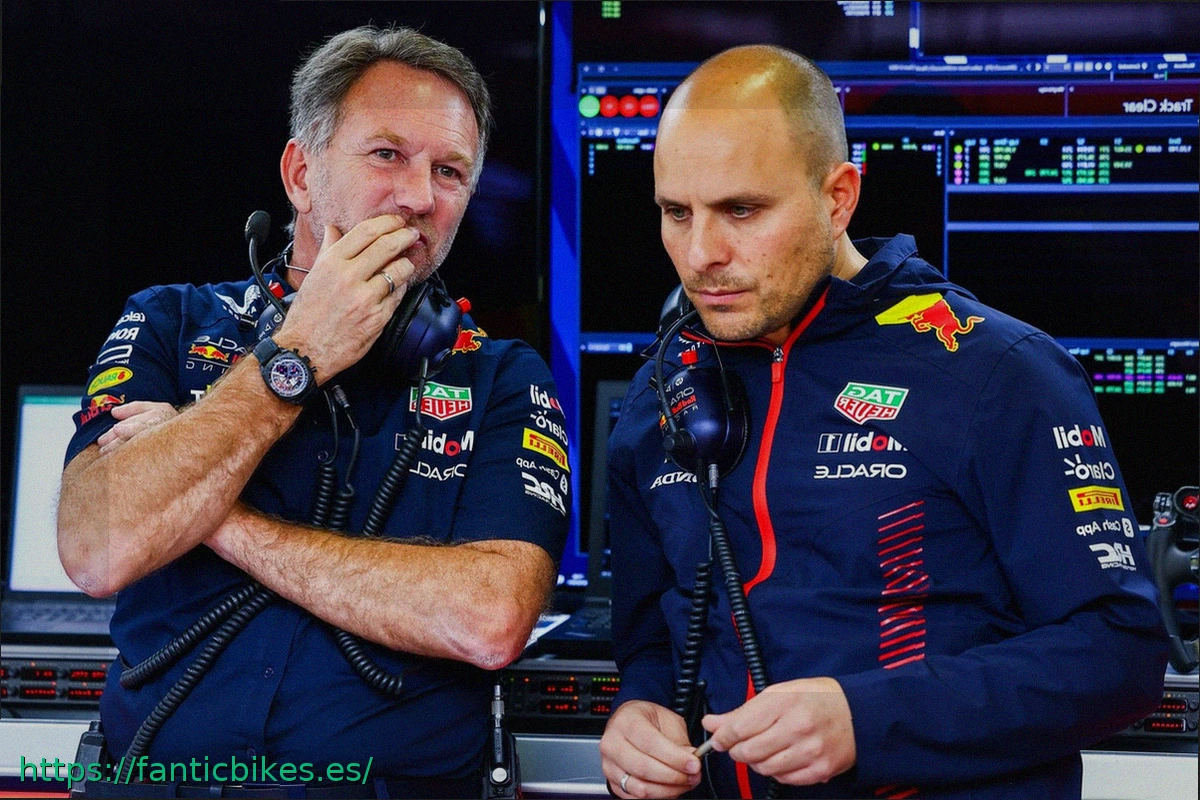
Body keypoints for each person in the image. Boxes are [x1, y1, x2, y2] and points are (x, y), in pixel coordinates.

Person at [600, 45, 1168, 800]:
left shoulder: (1000, 373)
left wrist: (866, 722)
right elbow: (648, 643)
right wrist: (638, 711)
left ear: (839, 198)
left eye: (742, 210)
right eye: (677, 213)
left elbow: (1120, 654)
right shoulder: (664, 395)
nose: (701, 253)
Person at [57, 26, 569, 797]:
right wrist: (293, 358)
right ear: (302, 174)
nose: (419, 197)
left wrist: (213, 516)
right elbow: (96, 549)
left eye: (450, 170)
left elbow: (489, 620)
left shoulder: (502, 376)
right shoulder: (168, 322)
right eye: (387, 154)